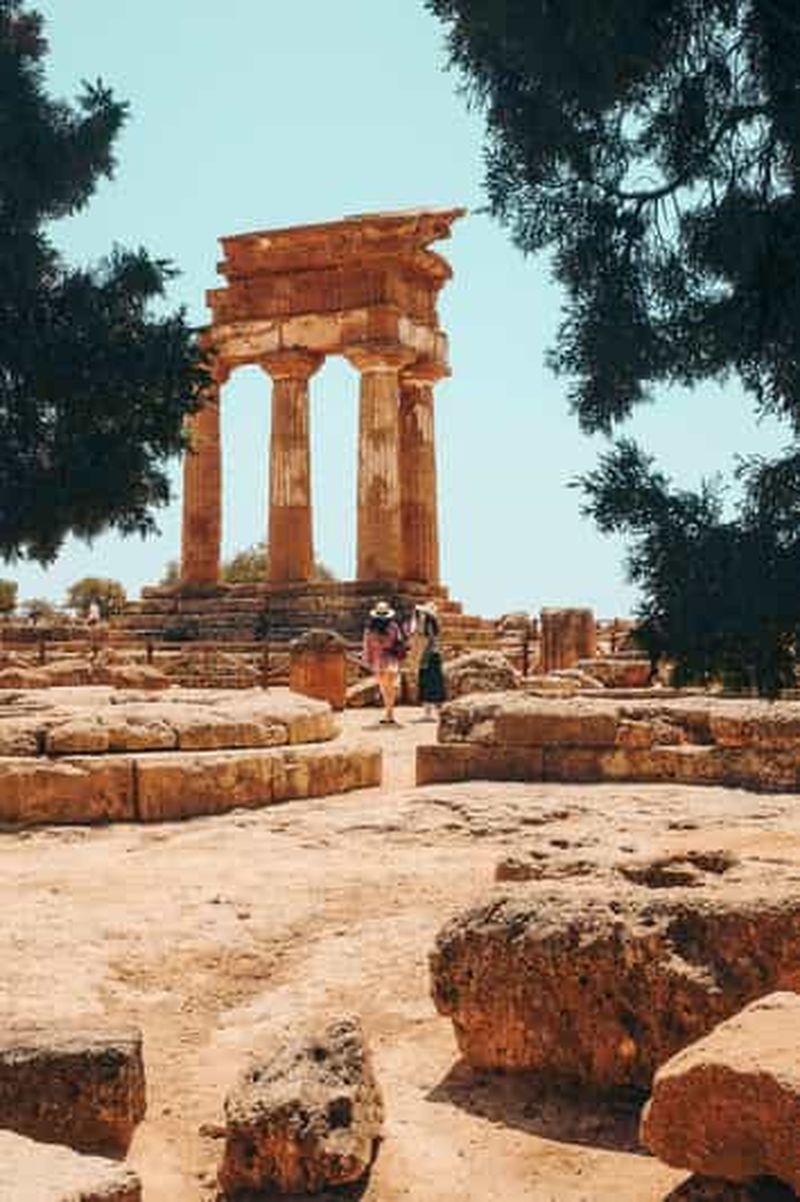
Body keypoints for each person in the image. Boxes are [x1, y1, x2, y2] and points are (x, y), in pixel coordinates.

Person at [362, 600, 405, 725]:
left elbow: (367, 647)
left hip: (378, 660)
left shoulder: (370, 629)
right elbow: (400, 641)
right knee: (391, 687)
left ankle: (388, 714)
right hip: (391, 659)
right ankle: (390, 713)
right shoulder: (393, 626)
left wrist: (367, 661)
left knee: (384, 688)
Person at [411, 601, 446, 719]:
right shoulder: (434, 626)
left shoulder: (425, 627)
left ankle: (428, 713)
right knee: (436, 684)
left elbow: (421, 641)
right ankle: (437, 712)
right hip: (434, 657)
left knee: (426, 684)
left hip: (427, 658)